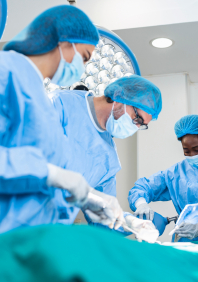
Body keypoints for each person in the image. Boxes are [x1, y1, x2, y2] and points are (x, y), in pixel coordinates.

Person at [0, 6, 123, 250]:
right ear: (65, 42)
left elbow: (38, 187)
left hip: (30, 248)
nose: (83, 67)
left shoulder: (41, 100)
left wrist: (88, 198)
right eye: (85, 57)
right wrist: (52, 175)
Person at [50, 75, 162, 225]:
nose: (135, 127)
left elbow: (104, 216)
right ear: (121, 98)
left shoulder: (108, 160)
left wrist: (131, 223)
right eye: (137, 119)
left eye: (141, 125)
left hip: (53, 233)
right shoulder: (61, 104)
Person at [128, 115, 198, 242]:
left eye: (197, 149)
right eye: (186, 151)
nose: (192, 155)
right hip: (185, 241)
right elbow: (144, 187)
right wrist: (141, 204)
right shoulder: (176, 173)